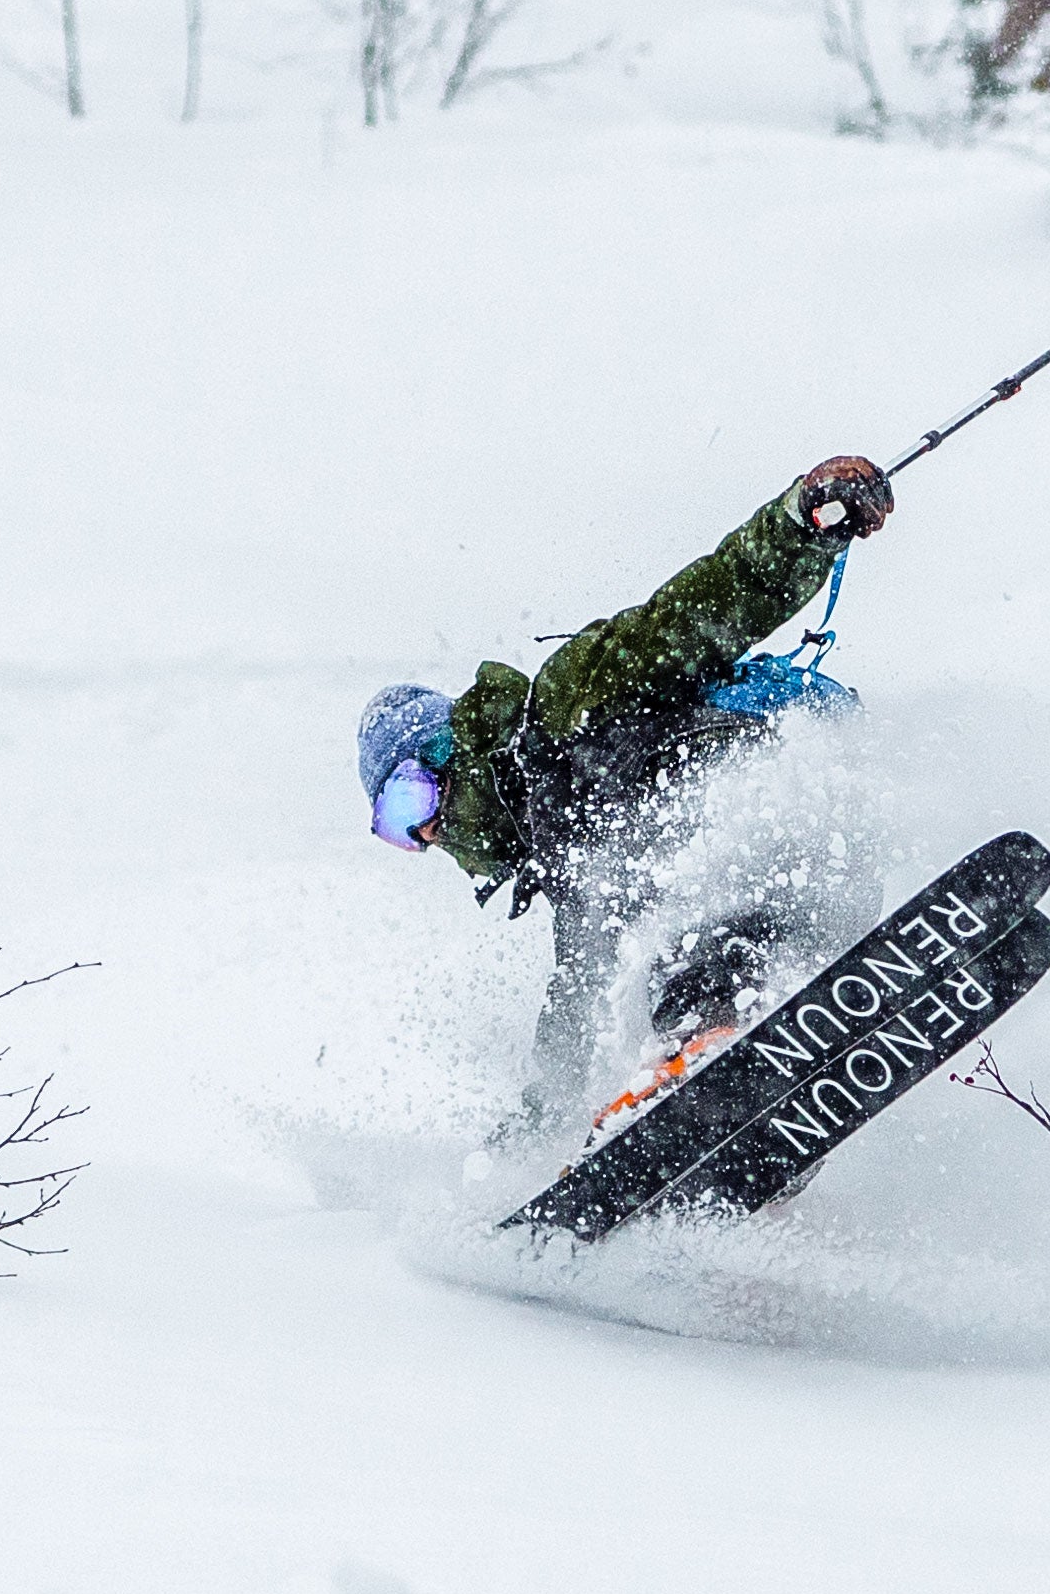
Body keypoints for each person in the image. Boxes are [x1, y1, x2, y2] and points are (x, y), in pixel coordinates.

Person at [356, 456, 895, 1141]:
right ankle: (762, 1117)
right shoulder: (573, 869)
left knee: (670, 912)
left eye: (409, 797)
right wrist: (533, 1132)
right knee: (627, 966)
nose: (425, 831)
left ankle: (710, 1043)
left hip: (763, 804)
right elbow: (575, 1004)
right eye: (397, 828)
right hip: (823, 886)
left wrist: (797, 526)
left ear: (449, 751)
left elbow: (697, 611)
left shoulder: (561, 704)